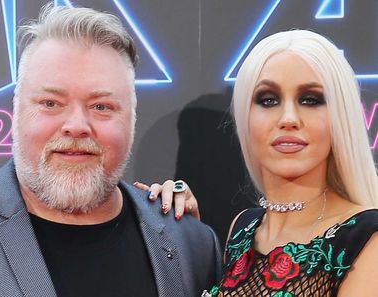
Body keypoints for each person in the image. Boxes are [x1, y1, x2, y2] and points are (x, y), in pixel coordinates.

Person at [0, 4, 222, 297]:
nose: (76, 125)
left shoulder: (193, 244)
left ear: (132, 119)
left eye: (101, 106)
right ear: (16, 111)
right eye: (50, 103)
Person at [135, 29, 378, 296]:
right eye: (268, 100)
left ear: (340, 116)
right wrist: (188, 238)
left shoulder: (368, 240)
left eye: (310, 100)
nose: (288, 118)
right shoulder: (243, 228)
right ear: (245, 117)